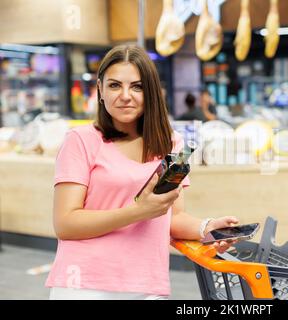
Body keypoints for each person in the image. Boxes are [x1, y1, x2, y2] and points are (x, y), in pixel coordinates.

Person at [45, 45, 239, 300]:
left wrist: (208, 228)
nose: (125, 95)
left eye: (137, 87)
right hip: (85, 284)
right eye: (115, 85)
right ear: (100, 90)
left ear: (151, 93)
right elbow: (66, 224)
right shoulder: (80, 140)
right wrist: (138, 211)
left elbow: (171, 217)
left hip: (148, 285)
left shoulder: (171, 144)